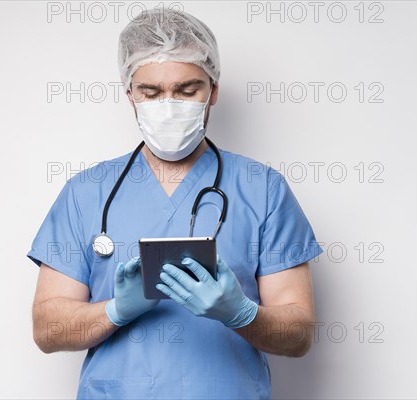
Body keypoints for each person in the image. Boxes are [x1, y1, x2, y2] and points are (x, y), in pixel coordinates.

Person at [27, 7, 323, 399]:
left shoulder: (262, 189)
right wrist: (116, 310)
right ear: (129, 92)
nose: (168, 105)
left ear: (214, 90)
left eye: (187, 90)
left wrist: (240, 314)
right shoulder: (87, 192)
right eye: (151, 92)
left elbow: (298, 335)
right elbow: (47, 331)